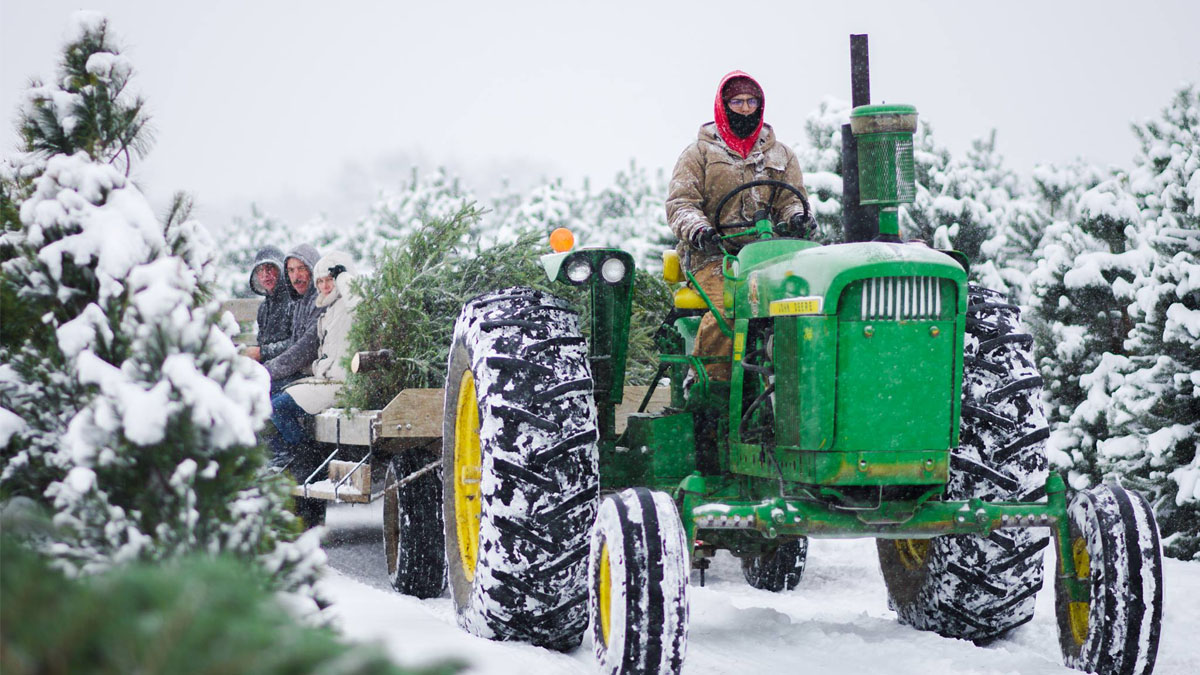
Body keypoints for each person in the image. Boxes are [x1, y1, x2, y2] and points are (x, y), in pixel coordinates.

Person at [666, 70, 811, 382]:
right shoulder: (699, 153)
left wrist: (796, 217)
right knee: (730, 311)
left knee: (807, 306)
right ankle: (710, 390)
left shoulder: (781, 154)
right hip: (716, 258)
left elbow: (791, 200)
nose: (745, 108)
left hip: (770, 255)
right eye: (737, 101)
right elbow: (681, 204)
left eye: (751, 101)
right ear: (723, 104)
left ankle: (796, 386)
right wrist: (700, 231)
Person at [268, 250, 359, 527]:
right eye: (319, 282)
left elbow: (360, 299)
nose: (323, 287)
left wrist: (343, 276)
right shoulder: (328, 310)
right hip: (326, 379)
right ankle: (302, 458)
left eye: (328, 280)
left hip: (340, 383)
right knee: (277, 403)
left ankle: (305, 455)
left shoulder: (350, 304)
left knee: (277, 408)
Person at [262, 244, 325, 393]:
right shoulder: (300, 302)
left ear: (313, 269)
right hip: (300, 373)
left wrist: (266, 371)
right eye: (291, 270)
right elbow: (293, 343)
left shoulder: (320, 301)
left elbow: (305, 349)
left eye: (301, 268)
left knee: (267, 396)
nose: (296, 276)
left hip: (315, 376)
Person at [242, 246, 296, 388]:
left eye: (270, 268)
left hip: (290, 373)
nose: (265, 274)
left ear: (281, 270)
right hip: (268, 371)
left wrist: (262, 352)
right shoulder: (264, 308)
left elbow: (297, 344)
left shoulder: (293, 301)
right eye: (260, 270)